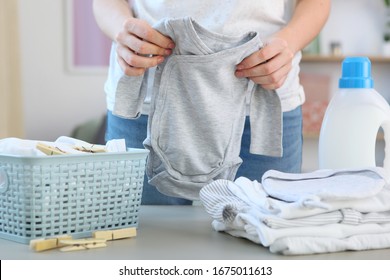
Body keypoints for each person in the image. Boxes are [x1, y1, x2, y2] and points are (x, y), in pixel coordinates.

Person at [93, 0, 331, 205]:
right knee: (145, 248)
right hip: (147, 105)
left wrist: (289, 42)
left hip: (260, 103)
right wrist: (123, 31)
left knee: (261, 245)